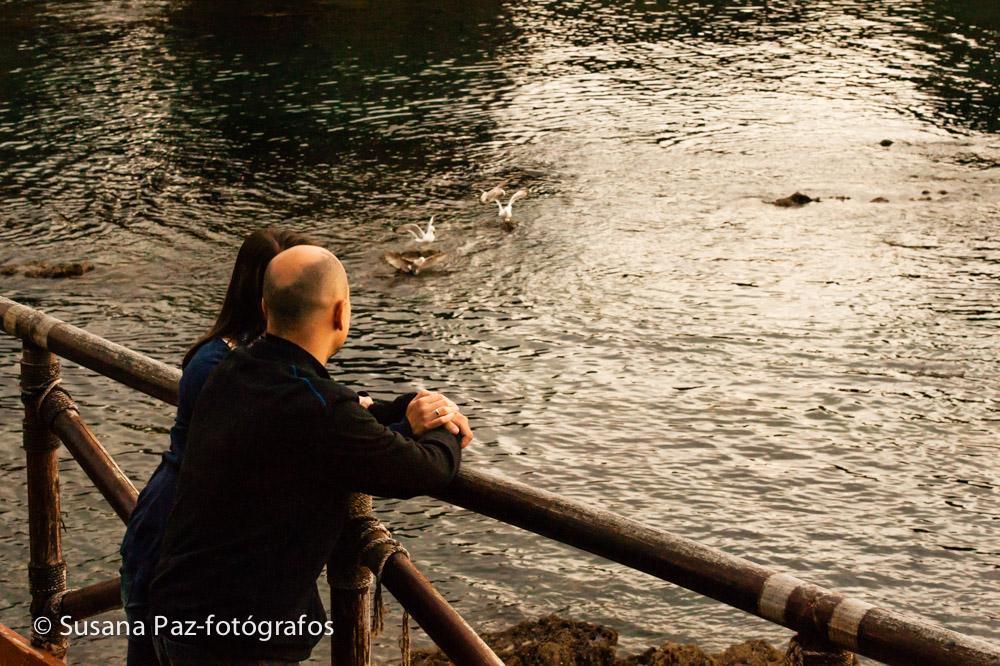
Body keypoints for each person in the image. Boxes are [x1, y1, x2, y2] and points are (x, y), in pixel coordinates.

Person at [148, 245, 472, 665]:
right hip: (236, 640)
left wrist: (412, 406)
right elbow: (425, 470)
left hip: (175, 613)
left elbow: (349, 412)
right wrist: (447, 422)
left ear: (266, 309)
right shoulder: (316, 409)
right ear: (342, 314)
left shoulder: (234, 369)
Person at [120, 229, 315, 664]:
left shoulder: (254, 358)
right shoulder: (224, 367)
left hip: (187, 541)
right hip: (169, 545)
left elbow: (324, 409)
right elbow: (311, 427)